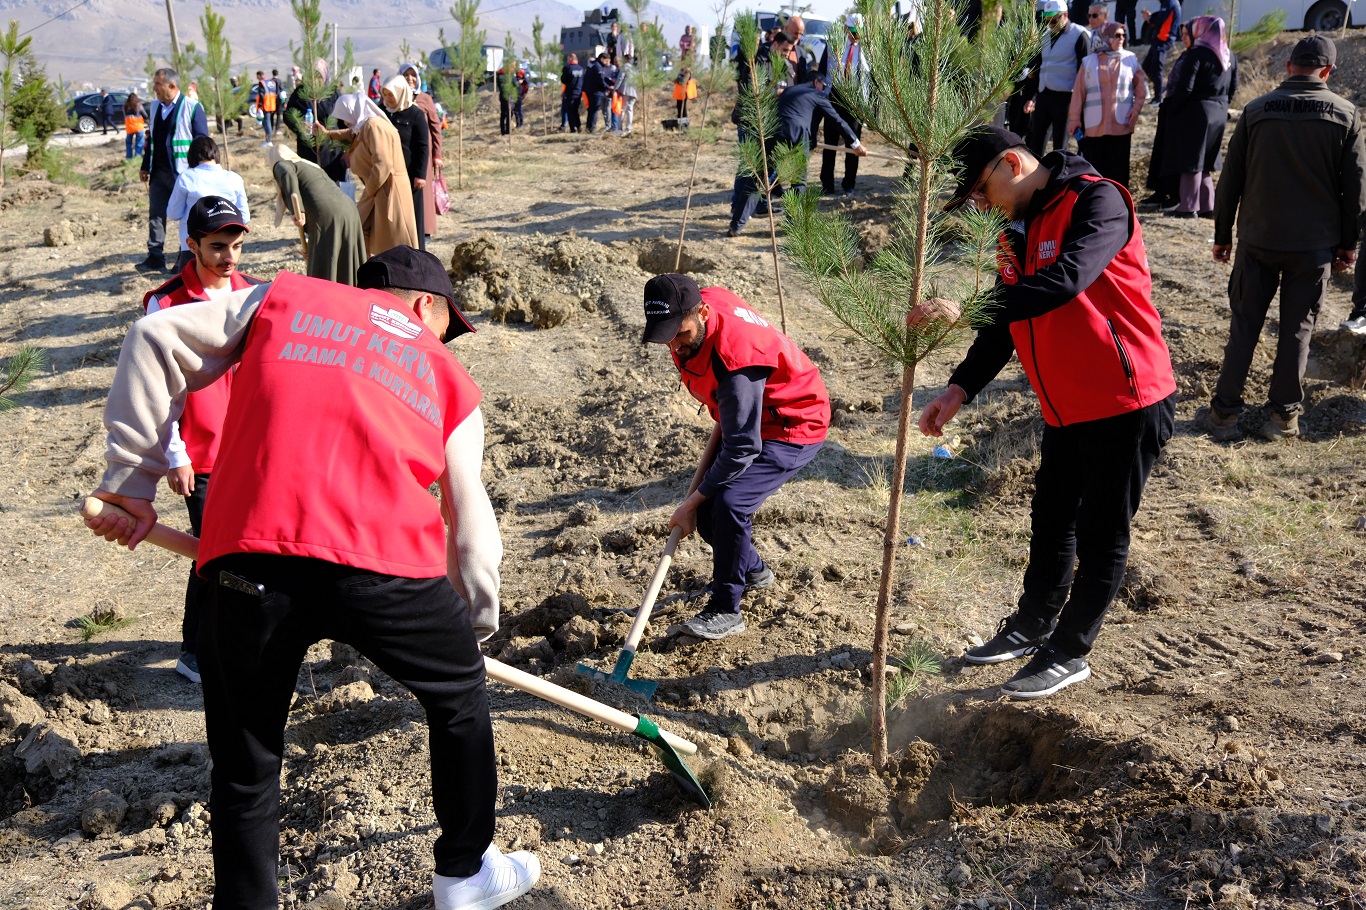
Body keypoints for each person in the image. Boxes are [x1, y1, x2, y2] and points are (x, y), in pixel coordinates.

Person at [83, 244, 540, 910]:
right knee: (459, 700)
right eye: (449, 326)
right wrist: (470, 627)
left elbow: (155, 336)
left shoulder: (283, 299)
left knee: (248, 767)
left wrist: (131, 481)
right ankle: (464, 874)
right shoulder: (445, 374)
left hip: (249, 559)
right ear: (425, 307)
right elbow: (473, 530)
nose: (447, 341)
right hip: (384, 567)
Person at [920, 125, 1177, 699]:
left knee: (1102, 531)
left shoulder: (1098, 199)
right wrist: (959, 388)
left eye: (981, 189)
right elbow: (1010, 320)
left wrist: (965, 308)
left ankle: (1070, 650)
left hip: (1126, 398)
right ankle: (1032, 625)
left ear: (1012, 162)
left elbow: (1065, 282)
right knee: (1052, 516)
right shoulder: (1014, 228)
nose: (979, 204)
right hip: (1066, 405)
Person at [640, 274, 830, 641]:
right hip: (752, 414)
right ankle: (753, 571)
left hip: (792, 422)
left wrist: (689, 503)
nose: (675, 346)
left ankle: (726, 609)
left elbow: (742, 447)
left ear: (705, 313)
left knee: (727, 503)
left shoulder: (735, 362)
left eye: (681, 334)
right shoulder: (697, 307)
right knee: (711, 517)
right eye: (666, 336)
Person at [1198, 35, 1366, 442]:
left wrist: (1223, 234)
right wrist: (1349, 244)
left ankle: (1224, 415)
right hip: (1313, 246)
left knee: (1245, 325)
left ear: (1289, 66)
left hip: (1258, 238)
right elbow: (1356, 188)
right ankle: (1283, 418)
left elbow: (1231, 179)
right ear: (1327, 72)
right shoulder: (1346, 115)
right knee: (1297, 331)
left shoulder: (1255, 111)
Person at [139, 196, 265, 685]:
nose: (228, 257)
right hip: (203, 456)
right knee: (212, 552)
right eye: (216, 246)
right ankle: (195, 649)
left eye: (236, 245)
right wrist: (175, 453)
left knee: (255, 549)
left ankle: (246, 638)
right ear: (190, 244)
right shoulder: (165, 302)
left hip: (254, 449)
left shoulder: (256, 293)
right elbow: (156, 388)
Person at [727, 70, 867, 237]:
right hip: (795, 139)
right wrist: (856, 144)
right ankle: (793, 226)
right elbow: (836, 120)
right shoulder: (817, 95)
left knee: (759, 179)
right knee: (798, 182)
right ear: (816, 82)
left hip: (772, 134)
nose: (824, 89)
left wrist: (812, 143)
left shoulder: (790, 91)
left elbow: (805, 119)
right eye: (824, 85)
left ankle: (736, 225)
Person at [314, 92, 418, 255]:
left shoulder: (373, 126)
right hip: (378, 188)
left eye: (345, 116)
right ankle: (369, 269)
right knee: (365, 231)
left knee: (395, 241)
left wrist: (369, 191)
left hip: (387, 188)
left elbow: (383, 163)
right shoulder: (364, 126)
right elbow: (351, 135)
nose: (345, 122)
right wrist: (326, 134)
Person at [1156, 16, 1236, 219]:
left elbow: (1185, 87)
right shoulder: (1229, 56)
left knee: (1191, 161)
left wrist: (1173, 109)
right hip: (1219, 111)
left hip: (1196, 113)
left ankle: (1188, 206)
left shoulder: (1197, 54)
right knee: (1206, 161)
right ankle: (1208, 206)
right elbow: (1233, 87)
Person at [139, 67, 210, 273]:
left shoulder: (192, 107)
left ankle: (184, 258)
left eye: (157, 84)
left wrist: (199, 171)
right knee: (156, 214)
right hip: (159, 172)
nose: (154, 88)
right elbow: (151, 138)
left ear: (172, 85)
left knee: (186, 216)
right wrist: (145, 165)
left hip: (183, 173)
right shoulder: (154, 107)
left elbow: (202, 141)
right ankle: (155, 257)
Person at [267, 145, 367, 286]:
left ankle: (328, 301)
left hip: (329, 215)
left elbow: (285, 172)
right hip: (349, 209)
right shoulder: (310, 166)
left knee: (324, 267)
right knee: (347, 259)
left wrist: (299, 211)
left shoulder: (282, 163)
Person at [1065, 21, 1146, 186]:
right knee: (1097, 169)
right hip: (1095, 125)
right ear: (1105, 37)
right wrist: (1074, 119)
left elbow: (1141, 89)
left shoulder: (1130, 59)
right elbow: (1079, 92)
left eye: (1123, 35)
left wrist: (1136, 110)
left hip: (1121, 123)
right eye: (1117, 35)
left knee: (1119, 168)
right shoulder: (1088, 61)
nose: (1121, 38)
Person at [166, 136, 251, 273]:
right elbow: (245, 216)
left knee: (191, 289)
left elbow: (173, 213)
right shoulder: (234, 178)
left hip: (194, 246)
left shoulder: (187, 177)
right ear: (217, 154)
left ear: (191, 157)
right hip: (228, 247)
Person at [1025, 0, 1090, 157]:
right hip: (1044, 95)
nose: (1050, 24)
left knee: (1060, 143)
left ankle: (1059, 177)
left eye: (1054, 20)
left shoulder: (1079, 35)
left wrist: (1080, 103)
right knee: (1037, 140)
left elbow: (1085, 71)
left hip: (1066, 97)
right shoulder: (1045, 36)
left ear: (1065, 15)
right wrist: (1031, 96)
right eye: (1047, 21)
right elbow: (1039, 67)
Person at [821, 14, 870, 197]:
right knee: (830, 143)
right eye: (852, 31)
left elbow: (871, 80)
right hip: (834, 98)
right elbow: (822, 71)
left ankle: (849, 184)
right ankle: (827, 184)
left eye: (858, 32)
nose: (854, 35)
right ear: (845, 28)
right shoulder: (833, 45)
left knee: (853, 144)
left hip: (855, 101)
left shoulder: (867, 51)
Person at [382, 76, 430, 248]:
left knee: (413, 217)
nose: (388, 99)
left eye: (391, 94)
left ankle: (417, 252)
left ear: (401, 93)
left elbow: (423, 146)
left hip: (410, 176)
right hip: (388, 175)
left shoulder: (415, 114)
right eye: (385, 94)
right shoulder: (382, 112)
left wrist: (420, 175)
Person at [284, 58, 347, 183]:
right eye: (311, 75)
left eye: (318, 76)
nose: (314, 79)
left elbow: (345, 122)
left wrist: (346, 149)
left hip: (332, 152)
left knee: (333, 189)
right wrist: (298, 125)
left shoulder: (333, 94)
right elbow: (288, 116)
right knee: (312, 187)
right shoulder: (300, 94)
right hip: (308, 149)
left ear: (325, 75)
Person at [402, 62, 444, 248]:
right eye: (406, 75)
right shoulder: (396, 98)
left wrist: (437, 153)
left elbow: (435, 127)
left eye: (413, 75)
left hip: (423, 153)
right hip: (403, 154)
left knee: (424, 193)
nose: (410, 79)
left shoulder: (424, 99)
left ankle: (425, 230)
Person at [1141, 0, 1181, 101]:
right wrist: (1150, 18)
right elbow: (1161, 20)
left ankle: (1158, 97)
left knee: (1156, 68)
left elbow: (1160, 20)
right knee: (1146, 66)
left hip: (1164, 39)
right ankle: (1161, 87)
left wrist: (1149, 18)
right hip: (1158, 39)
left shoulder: (1169, 2)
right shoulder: (1167, 3)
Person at [585, 51, 616, 133]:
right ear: (602, 59)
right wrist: (608, 87)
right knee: (594, 110)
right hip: (596, 91)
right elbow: (600, 80)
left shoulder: (592, 64)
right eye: (606, 61)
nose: (607, 63)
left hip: (589, 90)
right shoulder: (598, 67)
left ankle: (588, 127)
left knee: (591, 109)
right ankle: (592, 128)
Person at [249, 70, 278, 146]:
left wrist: (259, 106)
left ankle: (268, 141)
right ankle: (269, 139)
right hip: (272, 105)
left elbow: (261, 95)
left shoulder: (262, 83)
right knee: (270, 122)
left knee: (266, 123)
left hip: (266, 106)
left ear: (259, 75)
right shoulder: (271, 82)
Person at [561, 53, 585, 133]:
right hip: (578, 93)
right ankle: (578, 126)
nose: (567, 61)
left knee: (570, 111)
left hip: (570, 93)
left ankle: (572, 129)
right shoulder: (581, 69)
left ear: (571, 59)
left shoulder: (568, 68)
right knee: (575, 111)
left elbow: (563, 80)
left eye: (568, 59)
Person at [616, 54, 637, 134]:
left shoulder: (624, 67)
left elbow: (620, 78)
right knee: (630, 109)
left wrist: (616, 88)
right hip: (634, 91)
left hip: (625, 90)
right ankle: (628, 129)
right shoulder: (634, 68)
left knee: (622, 109)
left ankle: (619, 128)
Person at [123, 93, 147, 160]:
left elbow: (124, 116)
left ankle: (129, 158)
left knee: (128, 143)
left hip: (129, 128)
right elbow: (145, 115)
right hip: (138, 127)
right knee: (139, 142)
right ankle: (137, 157)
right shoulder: (139, 105)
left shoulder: (125, 106)